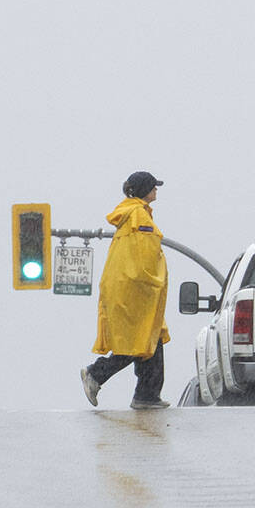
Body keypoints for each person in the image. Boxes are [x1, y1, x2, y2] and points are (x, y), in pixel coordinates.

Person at [80, 171, 171, 410]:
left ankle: (147, 395)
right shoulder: (139, 216)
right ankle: (95, 374)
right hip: (135, 290)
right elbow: (144, 256)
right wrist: (155, 281)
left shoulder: (131, 213)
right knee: (136, 341)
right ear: (145, 190)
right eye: (154, 186)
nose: (157, 190)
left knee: (151, 339)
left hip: (127, 288)